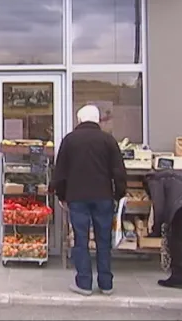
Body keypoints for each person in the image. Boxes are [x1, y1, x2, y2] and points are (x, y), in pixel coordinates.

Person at [50, 105, 127, 296]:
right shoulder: (108, 140)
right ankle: (106, 283)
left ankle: (84, 283)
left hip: (77, 197)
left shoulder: (70, 140)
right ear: (98, 120)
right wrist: (119, 194)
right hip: (104, 197)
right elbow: (119, 171)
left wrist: (61, 195)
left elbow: (60, 171)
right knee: (103, 240)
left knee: (81, 239)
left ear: (79, 120)